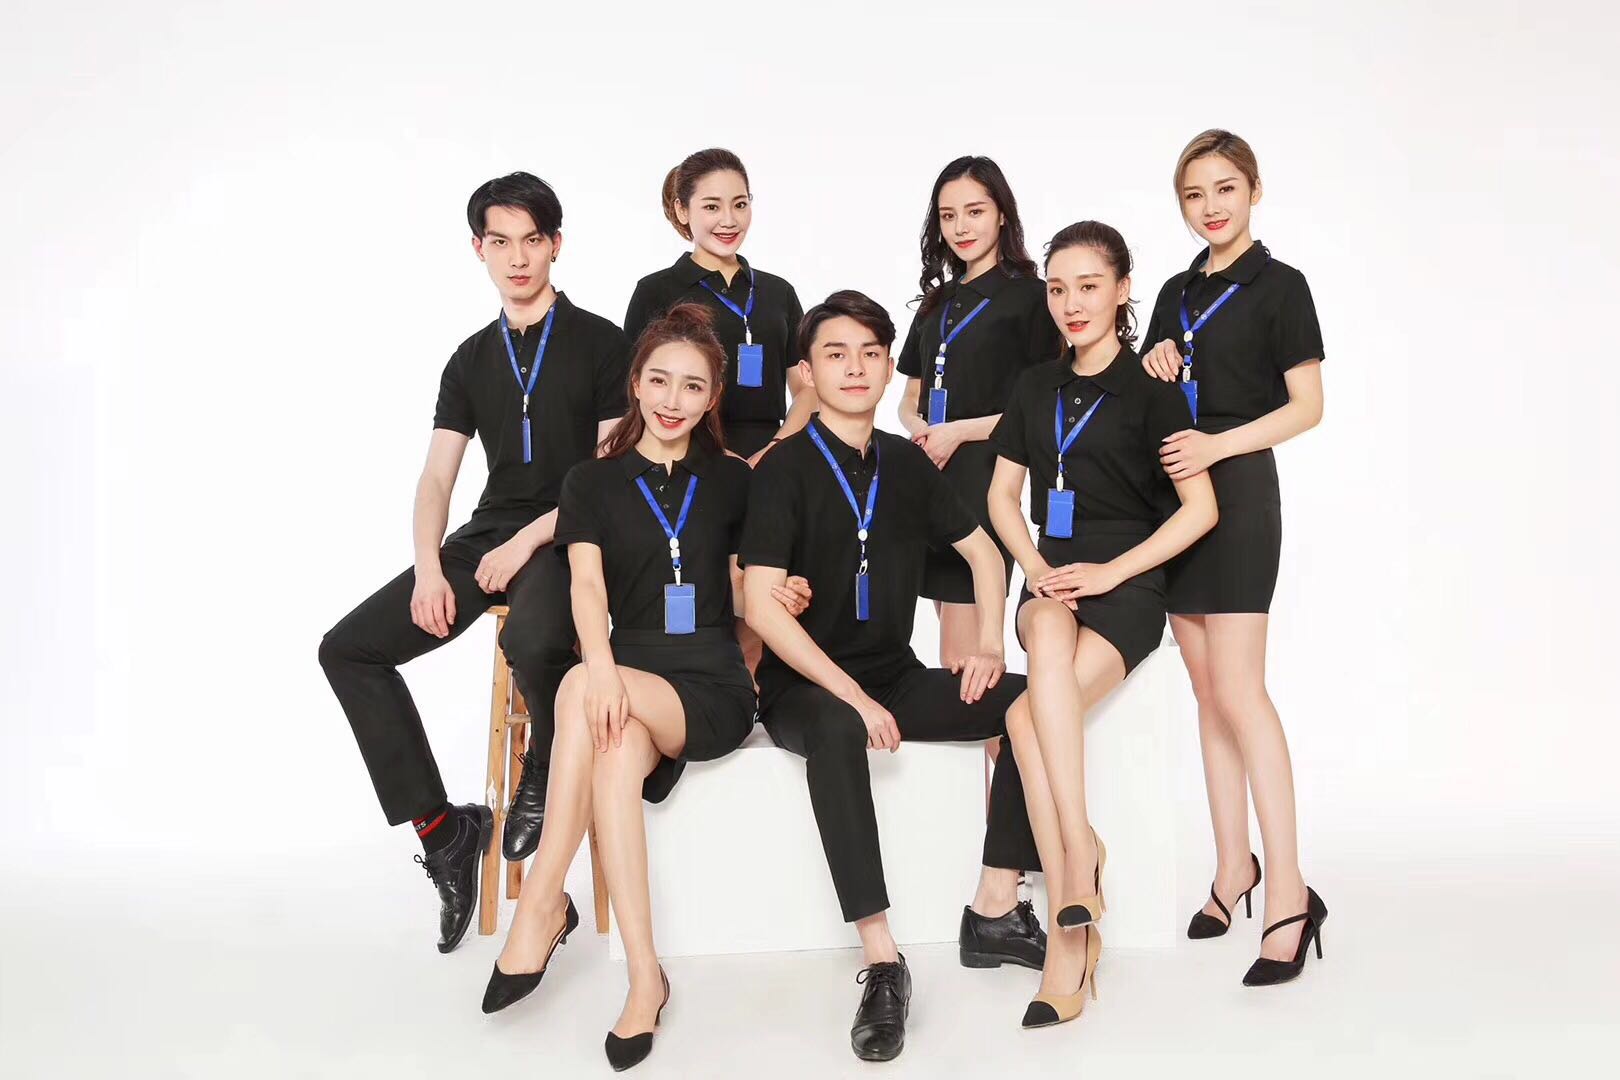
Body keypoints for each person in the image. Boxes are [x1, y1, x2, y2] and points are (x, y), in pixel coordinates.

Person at [481, 304, 808, 1071]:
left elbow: (739, 583)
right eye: (658, 380)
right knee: (611, 749)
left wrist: (778, 589)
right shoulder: (590, 482)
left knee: (575, 693)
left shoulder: (733, 480)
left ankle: (542, 901)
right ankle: (644, 978)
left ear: (713, 396)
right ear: (635, 382)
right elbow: (586, 587)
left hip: (707, 686)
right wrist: (600, 665)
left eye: (692, 386)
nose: (671, 399)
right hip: (622, 685)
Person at [317, 172, 629, 952]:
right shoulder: (468, 360)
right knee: (348, 649)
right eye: (500, 242)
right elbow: (436, 478)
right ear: (478, 250)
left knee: (531, 638)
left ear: (556, 245)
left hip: (570, 536)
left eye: (532, 240)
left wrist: (529, 541)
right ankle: (445, 831)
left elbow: (608, 475)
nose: (517, 258)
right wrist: (428, 566)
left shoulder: (601, 342)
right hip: (487, 537)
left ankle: (544, 764)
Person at [741, 290, 1044, 1064]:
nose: (855, 367)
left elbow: (983, 552)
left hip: (894, 675)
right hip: (808, 689)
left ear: (886, 369)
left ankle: (996, 904)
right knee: (838, 730)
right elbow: (762, 606)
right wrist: (852, 697)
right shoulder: (783, 469)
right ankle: (882, 959)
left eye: (870, 354)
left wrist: (987, 643)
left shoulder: (906, 462)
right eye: (835, 354)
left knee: (1029, 702)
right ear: (807, 373)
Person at [986, 222, 1217, 1027]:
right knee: (1045, 628)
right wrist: (1033, 565)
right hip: (1050, 582)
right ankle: (1077, 859)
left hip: (1125, 588)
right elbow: (1000, 496)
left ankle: (1069, 926)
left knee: (1024, 720)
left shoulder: (1154, 393)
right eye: (1058, 288)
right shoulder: (1033, 387)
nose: (1071, 303)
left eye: (1088, 286)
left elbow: (1201, 508)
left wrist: (1112, 573)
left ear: (1123, 290)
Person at [1140, 129, 1329, 986]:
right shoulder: (1175, 292)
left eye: (1225, 188)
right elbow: (1147, 400)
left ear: (1254, 190)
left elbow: (1307, 407)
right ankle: (1232, 867)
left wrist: (1218, 446)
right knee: (1207, 693)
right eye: (1194, 194)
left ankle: (1288, 890)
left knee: (1242, 690)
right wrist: (1153, 360)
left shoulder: (1281, 286)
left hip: (1241, 492)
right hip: (1177, 499)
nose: (1210, 207)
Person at [895, 156, 1062, 665]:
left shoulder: (1032, 298)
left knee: (966, 656)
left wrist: (957, 432)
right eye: (948, 216)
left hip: (984, 477)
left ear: (1002, 214)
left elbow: (1041, 404)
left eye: (975, 212)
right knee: (951, 644)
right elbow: (909, 396)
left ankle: (997, 723)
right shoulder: (936, 302)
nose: (961, 228)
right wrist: (920, 429)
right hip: (931, 471)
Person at [624, 148, 812, 463]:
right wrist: (717, 457)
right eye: (712, 206)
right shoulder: (655, 291)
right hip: (686, 457)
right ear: (682, 210)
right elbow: (633, 393)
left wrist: (774, 450)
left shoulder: (778, 292)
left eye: (740, 204)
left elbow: (808, 388)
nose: (729, 220)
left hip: (773, 460)